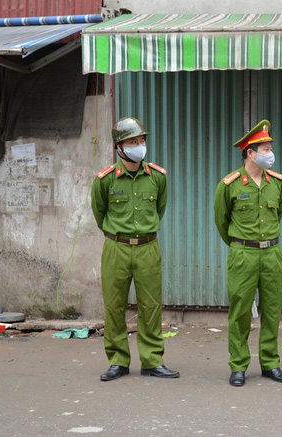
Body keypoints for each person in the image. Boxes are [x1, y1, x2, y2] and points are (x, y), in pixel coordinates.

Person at [91, 117, 179, 381]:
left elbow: (159, 210)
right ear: (119, 147)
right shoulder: (105, 180)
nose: (139, 146)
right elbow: (100, 214)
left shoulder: (157, 177)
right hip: (116, 248)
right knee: (114, 307)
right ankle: (118, 361)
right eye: (132, 142)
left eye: (141, 141)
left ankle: (152, 360)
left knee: (151, 306)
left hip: (147, 247)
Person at [214, 120, 282, 387]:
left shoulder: (277, 183)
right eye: (264, 148)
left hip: (272, 253)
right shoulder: (229, 185)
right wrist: (240, 245)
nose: (270, 153)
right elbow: (222, 222)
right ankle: (238, 365)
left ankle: (270, 363)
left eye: (270, 147)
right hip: (243, 254)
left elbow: (279, 213)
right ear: (250, 153)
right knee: (240, 311)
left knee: (272, 310)